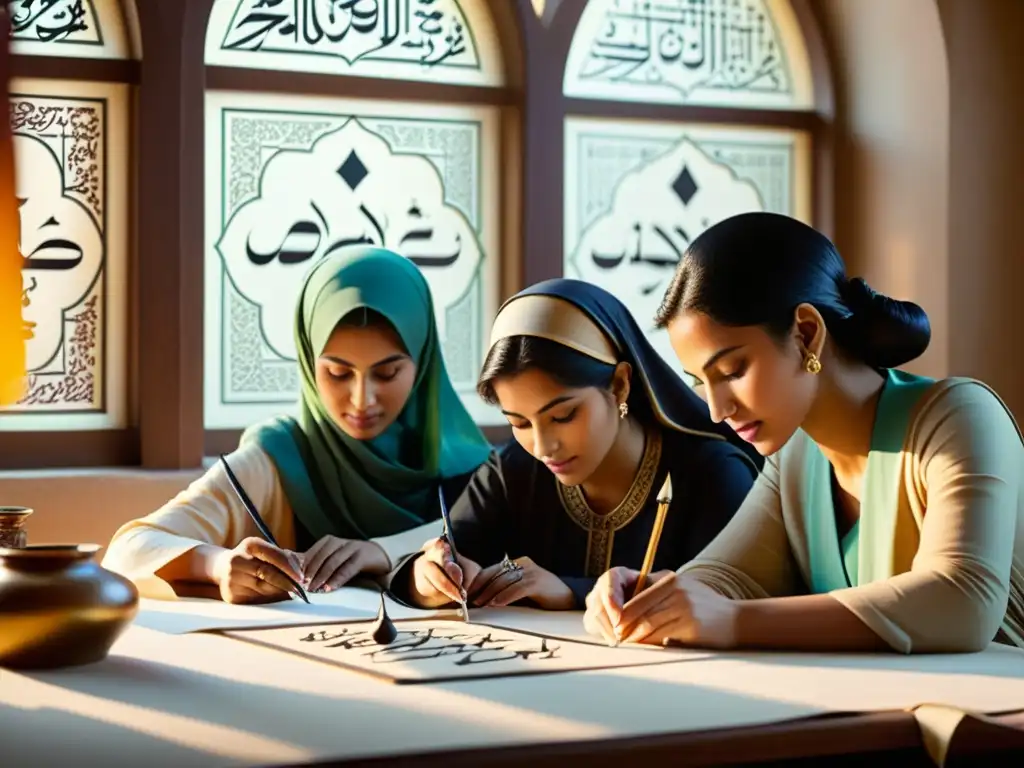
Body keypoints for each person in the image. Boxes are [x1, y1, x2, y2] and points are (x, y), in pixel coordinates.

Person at [583, 211, 1024, 654]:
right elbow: (728, 575)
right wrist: (650, 595)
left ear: (807, 334)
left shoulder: (958, 418)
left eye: (732, 370)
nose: (718, 410)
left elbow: (961, 600)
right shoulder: (797, 456)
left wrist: (734, 622)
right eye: (701, 381)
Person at [103, 247, 492, 603]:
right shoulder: (278, 459)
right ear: (308, 362)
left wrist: (382, 550)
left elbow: (513, 546)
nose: (362, 400)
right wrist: (219, 565)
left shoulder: (476, 471)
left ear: (422, 363)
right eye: (338, 373)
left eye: (387, 373)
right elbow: (127, 549)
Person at [391, 278, 763, 612]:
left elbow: (730, 597)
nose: (542, 445)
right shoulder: (513, 470)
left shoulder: (712, 475)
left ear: (619, 384)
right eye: (519, 422)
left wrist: (573, 591)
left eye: (564, 416)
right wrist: (429, 578)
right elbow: (441, 563)